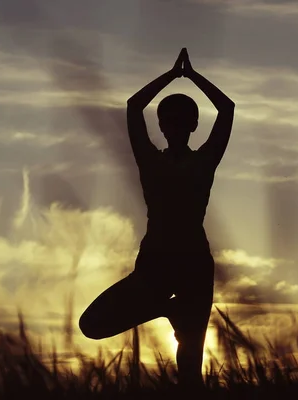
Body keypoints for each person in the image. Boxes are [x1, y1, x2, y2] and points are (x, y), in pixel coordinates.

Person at [79, 48, 235, 387]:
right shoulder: (154, 161)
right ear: (162, 125)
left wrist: (184, 75)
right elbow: (135, 108)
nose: (176, 127)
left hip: (192, 263)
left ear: (192, 125)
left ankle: (170, 312)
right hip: (157, 263)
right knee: (90, 324)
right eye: (170, 121)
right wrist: (179, 75)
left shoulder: (199, 161)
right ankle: (166, 309)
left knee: (191, 363)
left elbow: (227, 110)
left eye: (182, 121)